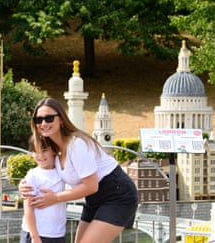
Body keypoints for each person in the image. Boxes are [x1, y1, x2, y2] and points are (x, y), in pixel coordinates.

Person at [20, 97, 138, 243]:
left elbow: (91, 185)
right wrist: (25, 184)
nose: (43, 123)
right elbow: (44, 171)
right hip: (93, 198)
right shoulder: (53, 149)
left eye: (49, 118)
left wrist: (55, 198)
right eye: (38, 120)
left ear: (61, 120)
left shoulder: (76, 144)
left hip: (117, 195)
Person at [20, 136, 66, 243]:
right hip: (37, 234)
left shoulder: (61, 171)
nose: (40, 155)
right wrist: (34, 236)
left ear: (54, 150)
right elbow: (28, 208)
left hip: (57, 234)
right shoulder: (33, 175)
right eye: (36, 151)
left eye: (44, 150)